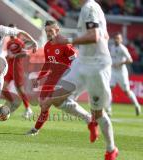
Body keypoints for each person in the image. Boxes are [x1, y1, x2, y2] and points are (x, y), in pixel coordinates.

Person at [50, 0, 119, 159]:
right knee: (56, 97)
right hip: (83, 62)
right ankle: (89, 120)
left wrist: (66, 40)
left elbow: (94, 36)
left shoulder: (89, 8)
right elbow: (103, 35)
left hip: (96, 66)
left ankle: (111, 149)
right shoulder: (90, 8)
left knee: (98, 112)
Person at [26, 20, 93, 136]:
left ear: (57, 31)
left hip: (64, 77)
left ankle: (36, 129)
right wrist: (39, 77)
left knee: (49, 103)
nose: (48, 33)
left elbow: (75, 61)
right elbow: (47, 63)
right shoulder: (47, 46)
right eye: (46, 31)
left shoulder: (65, 44)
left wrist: (71, 77)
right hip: (51, 78)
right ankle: (36, 129)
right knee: (42, 104)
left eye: (50, 31)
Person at [3, 23, 33, 119]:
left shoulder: (20, 42)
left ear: (16, 31)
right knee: (3, 88)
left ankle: (28, 109)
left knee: (20, 90)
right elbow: (9, 55)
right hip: (9, 68)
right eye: (10, 30)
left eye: (13, 30)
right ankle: (13, 103)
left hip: (17, 68)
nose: (11, 33)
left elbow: (25, 54)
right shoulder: (8, 43)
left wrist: (14, 56)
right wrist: (6, 58)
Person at [109, 33, 141, 116]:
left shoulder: (123, 49)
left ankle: (137, 105)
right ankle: (109, 110)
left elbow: (130, 60)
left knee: (126, 91)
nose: (116, 40)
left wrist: (120, 63)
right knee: (109, 89)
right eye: (115, 38)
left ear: (121, 40)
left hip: (121, 72)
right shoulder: (112, 47)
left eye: (118, 38)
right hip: (113, 71)